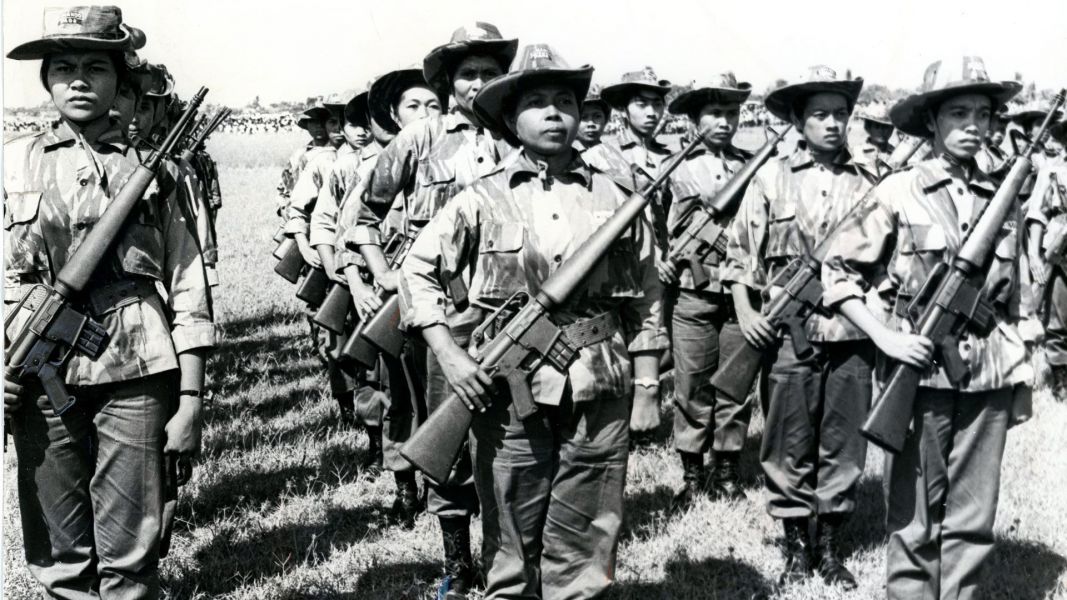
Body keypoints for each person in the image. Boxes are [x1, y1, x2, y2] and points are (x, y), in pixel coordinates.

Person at [400, 43, 666, 600]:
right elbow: (416, 273)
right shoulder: (480, 199)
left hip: (601, 380)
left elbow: (646, 298)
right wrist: (450, 354)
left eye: (565, 101)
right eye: (538, 102)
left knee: (591, 526)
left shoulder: (619, 200)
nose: (554, 113)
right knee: (510, 530)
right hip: (507, 385)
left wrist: (647, 386)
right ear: (509, 118)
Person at [4, 7, 216, 598]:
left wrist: (192, 398)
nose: (78, 80)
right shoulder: (10, 162)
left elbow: (190, 285)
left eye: (95, 67)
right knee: (60, 553)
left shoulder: (161, 174)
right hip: (36, 370)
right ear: (46, 79)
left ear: (120, 82)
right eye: (64, 67)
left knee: (130, 555)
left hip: (138, 371)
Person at [822, 56, 1031, 600]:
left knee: (973, 517)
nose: (973, 126)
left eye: (983, 114)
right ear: (932, 122)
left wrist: (1022, 378)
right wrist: (884, 336)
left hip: (988, 375)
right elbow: (837, 271)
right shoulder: (898, 191)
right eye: (958, 113)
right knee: (915, 515)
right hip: (920, 376)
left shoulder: (1003, 196)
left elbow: (1015, 297)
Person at [355, 22, 517, 599]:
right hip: (441, 314)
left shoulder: (518, 137)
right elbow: (364, 214)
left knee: (509, 437)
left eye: (490, 74)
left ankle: (511, 555)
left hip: (511, 314)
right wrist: (385, 275)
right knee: (446, 438)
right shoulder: (419, 138)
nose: (478, 84)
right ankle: (457, 561)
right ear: (447, 82)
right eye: (467, 74)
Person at [720, 65, 877, 589]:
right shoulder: (771, 178)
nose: (833, 124)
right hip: (789, 334)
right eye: (819, 115)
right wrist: (746, 314)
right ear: (797, 121)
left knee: (844, 440)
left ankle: (829, 547)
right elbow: (740, 257)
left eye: (840, 114)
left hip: (852, 335)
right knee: (788, 440)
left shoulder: (870, 183)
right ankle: (794, 548)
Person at [660, 73, 756, 510]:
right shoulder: (674, 169)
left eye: (731, 113)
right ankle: (693, 474)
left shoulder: (753, 166)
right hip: (692, 291)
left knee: (734, 386)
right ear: (694, 120)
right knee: (691, 385)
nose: (724, 121)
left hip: (741, 293)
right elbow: (652, 227)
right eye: (714, 113)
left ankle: (729, 471)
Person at [601, 67, 675, 445]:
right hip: (625, 261)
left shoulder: (668, 155)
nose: (651, 112)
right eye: (641, 104)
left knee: (661, 341)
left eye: (657, 104)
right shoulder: (606, 154)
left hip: (665, 262)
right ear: (623, 110)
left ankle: (648, 416)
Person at [1027, 119, 1067, 395]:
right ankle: (1061, 380)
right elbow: (1037, 215)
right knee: (1058, 317)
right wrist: (1033, 254)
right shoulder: (1052, 170)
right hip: (1059, 250)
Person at [275, 101, 334, 218]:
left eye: (322, 121)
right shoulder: (299, 154)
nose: (318, 126)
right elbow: (284, 186)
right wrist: (282, 207)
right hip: (302, 213)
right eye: (313, 122)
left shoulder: (338, 152)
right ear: (307, 125)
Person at [853, 103, 897, 176]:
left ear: (892, 129)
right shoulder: (856, 152)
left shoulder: (897, 154)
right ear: (868, 127)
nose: (881, 131)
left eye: (886, 127)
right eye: (877, 126)